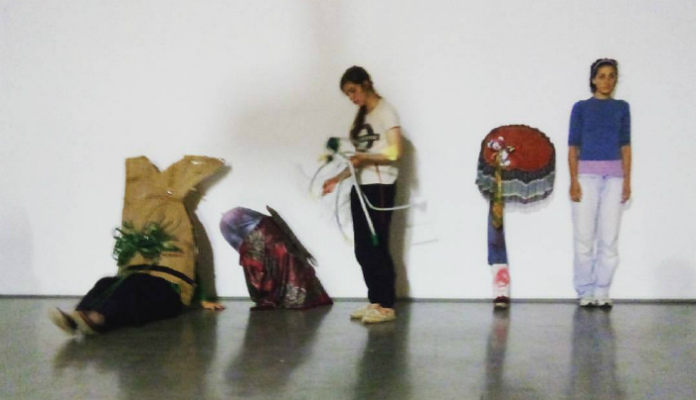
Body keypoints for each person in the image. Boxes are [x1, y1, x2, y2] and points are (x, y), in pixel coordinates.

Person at [49, 156, 226, 335]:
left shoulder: (177, 240)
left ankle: (99, 318)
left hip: (170, 296)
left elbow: (191, 269)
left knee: (134, 285)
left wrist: (204, 298)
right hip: (144, 283)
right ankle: (79, 314)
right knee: (107, 282)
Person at [322, 66, 403, 324]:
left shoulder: (386, 111)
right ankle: (375, 301)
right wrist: (337, 178)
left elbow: (395, 152)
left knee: (378, 247)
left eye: (353, 90)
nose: (352, 97)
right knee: (363, 249)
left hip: (381, 186)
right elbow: (356, 160)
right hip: (361, 186)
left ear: (366, 83)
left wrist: (364, 158)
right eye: (347, 94)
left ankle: (387, 305)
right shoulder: (361, 117)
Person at [568, 58, 632, 308]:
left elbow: (625, 146)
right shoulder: (581, 108)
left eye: (611, 76)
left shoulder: (622, 108)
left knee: (609, 238)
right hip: (586, 178)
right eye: (602, 76)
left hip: (614, 178)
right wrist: (574, 181)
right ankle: (585, 290)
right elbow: (573, 147)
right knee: (584, 238)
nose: (607, 81)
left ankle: (602, 290)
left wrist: (627, 181)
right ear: (593, 79)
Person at [219, 206, 333, 310]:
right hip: (271, 232)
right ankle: (296, 296)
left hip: (264, 237)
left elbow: (249, 259)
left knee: (284, 262)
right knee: (288, 261)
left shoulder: (244, 230)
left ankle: (289, 296)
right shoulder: (259, 224)